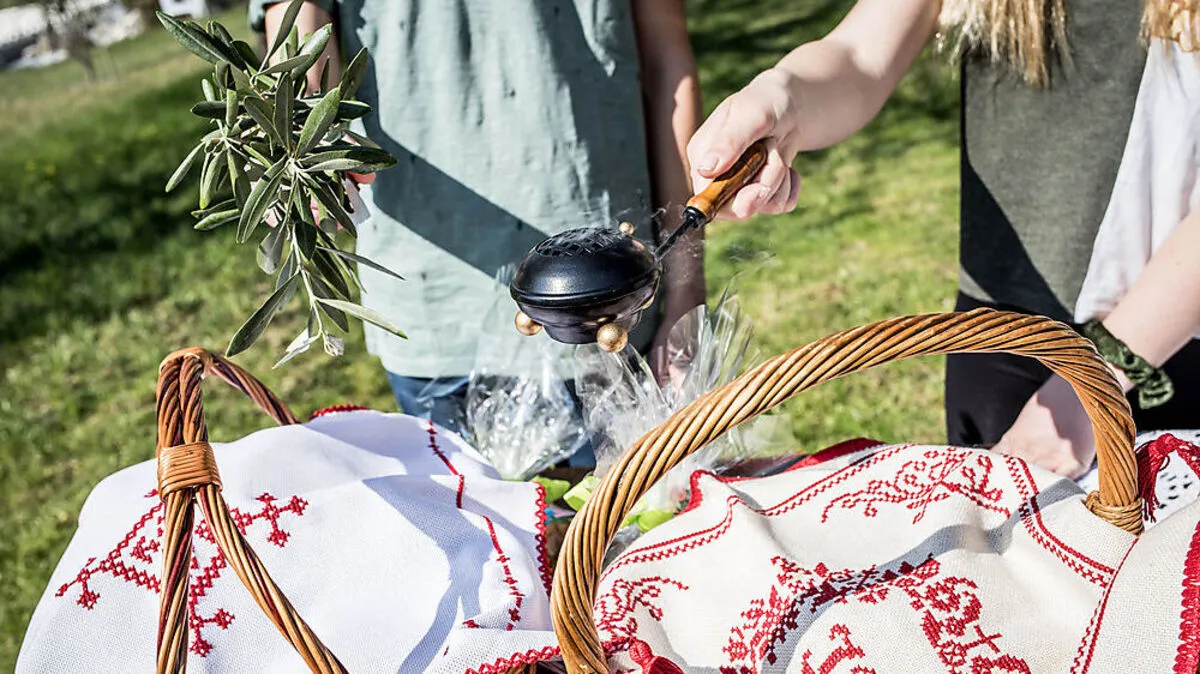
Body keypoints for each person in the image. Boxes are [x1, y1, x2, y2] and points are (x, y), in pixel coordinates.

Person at [684, 0, 1199, 478]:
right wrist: (782, 99)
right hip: (996, 331)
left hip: (1164, 343)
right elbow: (859, 54)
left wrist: (1092, 385)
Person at [250, 1, 705, 438]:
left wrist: (687, 297)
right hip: (430, 295)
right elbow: (299, 36)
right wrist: (303, 136)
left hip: (605, 297)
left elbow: (667, 62)